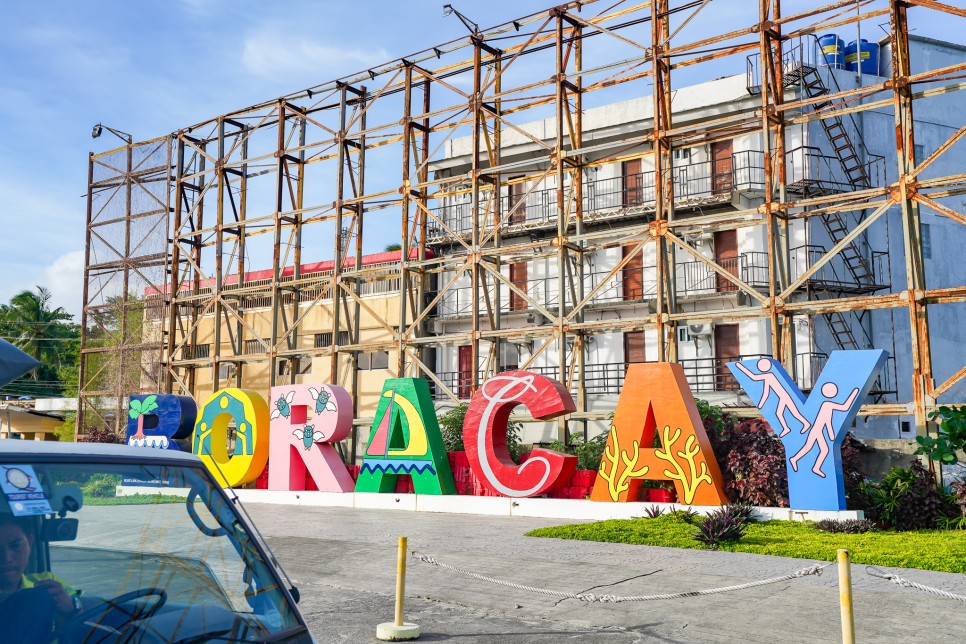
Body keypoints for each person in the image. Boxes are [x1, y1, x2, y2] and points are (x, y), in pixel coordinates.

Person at [0, 515, 80, 643]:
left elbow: (89, 627)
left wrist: (71, 608)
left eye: (15, 546)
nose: (6, 558)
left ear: (30, 544)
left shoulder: (48, 582)